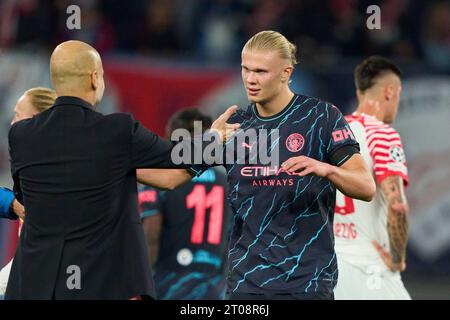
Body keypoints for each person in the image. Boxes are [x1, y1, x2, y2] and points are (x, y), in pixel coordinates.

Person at [138, 30, 376, 300]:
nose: (250, 79)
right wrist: (116, 166)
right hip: (246, 287)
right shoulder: (234, 126)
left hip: (307, 284)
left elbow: (366, 187)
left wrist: (326, 169)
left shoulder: (321, 118)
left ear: (286, 73)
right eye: (245, 69)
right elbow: (169, 178)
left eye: (261, 71)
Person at [5, 40, 238, 300]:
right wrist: (214, 138)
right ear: (94, 78)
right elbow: (176, 156)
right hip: (94, 285)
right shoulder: (117, 131)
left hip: (32, 285)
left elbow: (23, 198)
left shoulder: (20, 135)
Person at [333, 56, 411, 300]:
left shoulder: (332, 131)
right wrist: (397, 258)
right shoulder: (382, 133)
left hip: (328, 266)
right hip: (370, 266)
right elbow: (397, 205)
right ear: (390, 92)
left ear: (359, 91)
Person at [138, 108, 232, 300]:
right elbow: (232, 241)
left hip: (169, 285)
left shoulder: (158, 180)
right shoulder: (228, 183)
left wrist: (141, 287)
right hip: (213, 288)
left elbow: (150, 235)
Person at [0, 87, 53, 297]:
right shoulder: (29, 159)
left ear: (35, 119)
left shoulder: (60, 164)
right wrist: (13, 204)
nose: (12, 123)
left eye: (17, 115)